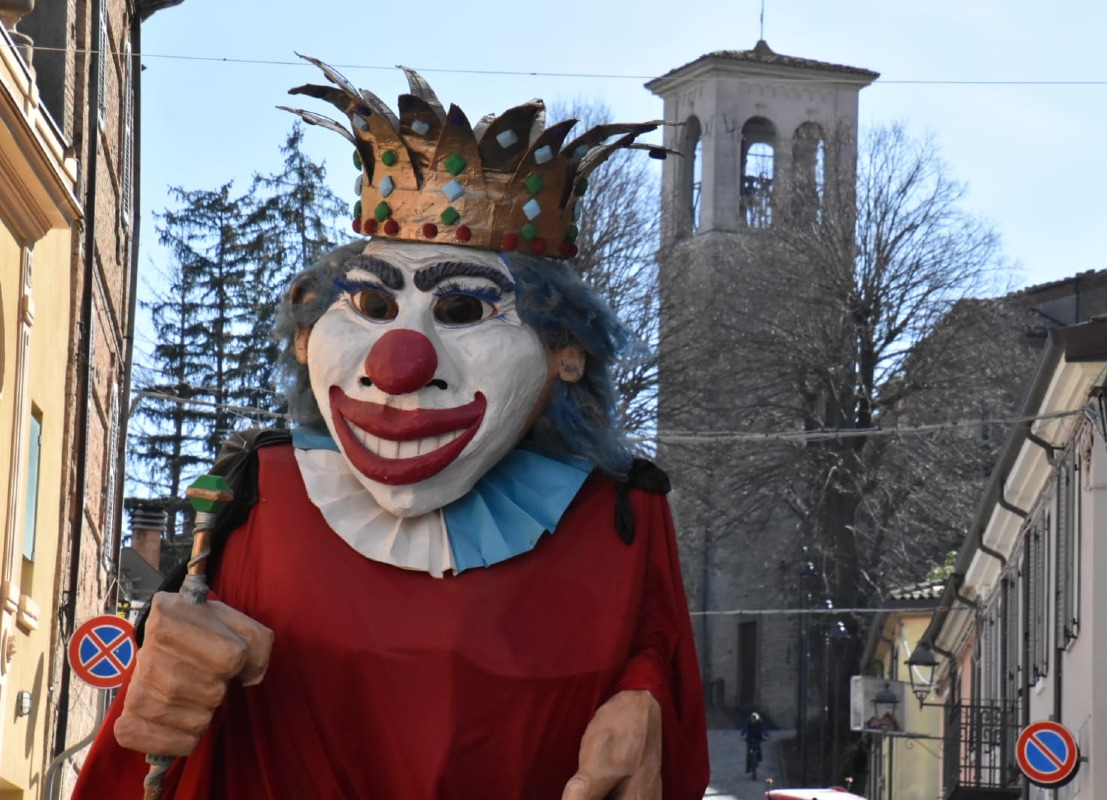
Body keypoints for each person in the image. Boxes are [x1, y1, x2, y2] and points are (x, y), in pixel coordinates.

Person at [72, 58, 709, 799]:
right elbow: (160, 748)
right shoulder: (261, 496)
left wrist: (643, 700)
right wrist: (160, 691)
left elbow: (659, 671)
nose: (399, 365)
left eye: (465, 310)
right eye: (373, 308)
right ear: (308, 334)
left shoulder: (623, 517)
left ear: (566, 353)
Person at [741, 711, 768, 780]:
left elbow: (763, 729)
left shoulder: (760, 723)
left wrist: (766, 735)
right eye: (753, 719)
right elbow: (744, 729)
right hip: (749, 738)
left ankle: (759, 758)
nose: (754, 721)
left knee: (758, 748)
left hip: (758, 738)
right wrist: (742, 734)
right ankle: (748, 768)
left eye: (755, 719)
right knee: (749, 752)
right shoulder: (748, 722)